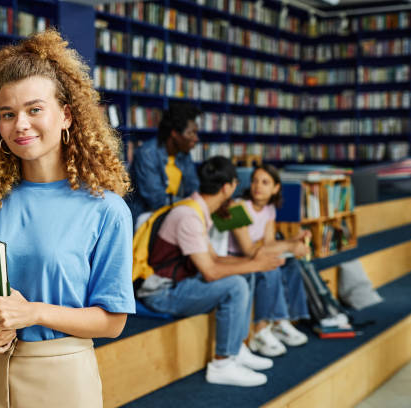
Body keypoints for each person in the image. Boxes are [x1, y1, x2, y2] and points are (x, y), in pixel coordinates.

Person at [0, 29, 135, 408]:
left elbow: (113, 321)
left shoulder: (106, 210)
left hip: (59, 375)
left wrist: (32, 313)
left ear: (66, 116)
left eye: (34, 109)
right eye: (8, 114)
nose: (20, 124)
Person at [137, 156, 285, 387]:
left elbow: (214, 258)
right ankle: (222, 364)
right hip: (162, 292)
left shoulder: (197, 208)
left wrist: (251, 261)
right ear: (227, 187)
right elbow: (210, 272)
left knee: (245, 273)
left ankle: (237, 348)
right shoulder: (189, 216)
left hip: (181, 280)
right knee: (235, 285)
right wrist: (256, 263)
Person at [229, 164, 311, 357]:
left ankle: (282, 321)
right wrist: (288, 246)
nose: (258, 186)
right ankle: (260, 329)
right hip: (234, 257)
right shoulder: (238, 207)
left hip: (253, 252)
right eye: (255, 181)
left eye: (265, 182)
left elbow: (269, 243)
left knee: (291, 263)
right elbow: (248, 250)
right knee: (270, 266)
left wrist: (293, 241)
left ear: (275, 188)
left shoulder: (269, 209)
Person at [127, 103, 201, 225]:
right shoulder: (147, 154)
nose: (196, 138)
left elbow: (193, 188)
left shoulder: (183, 154)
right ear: (174, 134)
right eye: (191, 133)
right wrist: (192, 203)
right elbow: (157, 200)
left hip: (173, 213)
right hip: (146, 217)